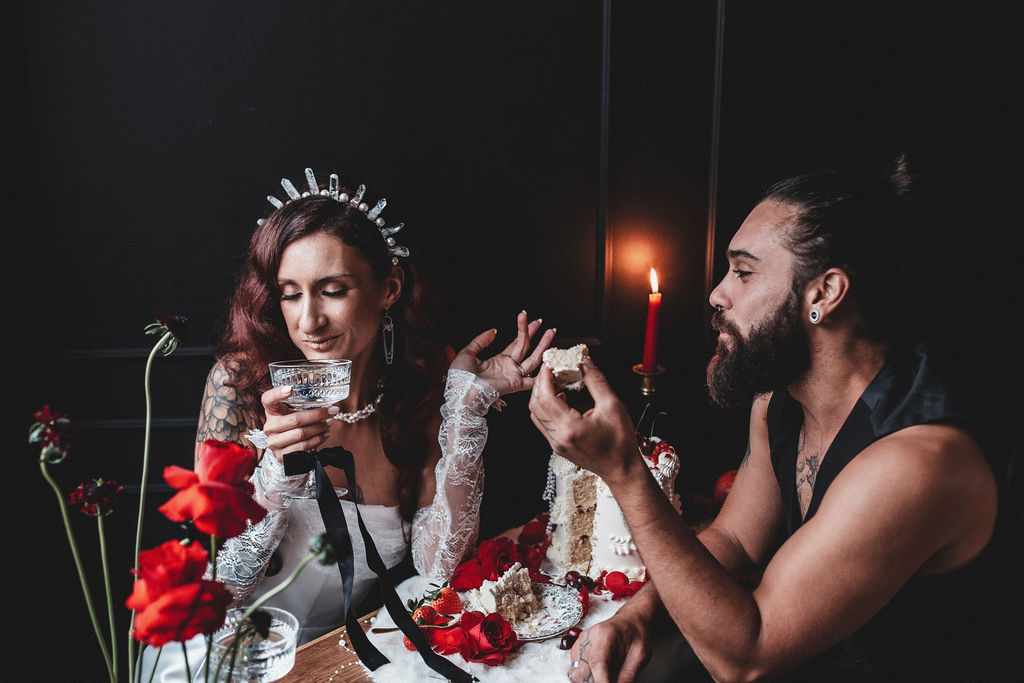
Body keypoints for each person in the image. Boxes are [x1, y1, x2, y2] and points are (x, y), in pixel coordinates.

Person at [529, 158, 1007, 681]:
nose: (717, 294)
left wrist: (622, 470)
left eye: (743, 271)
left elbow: (745, 657)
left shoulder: (917, 462)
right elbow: (735, 540)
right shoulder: (778, 400)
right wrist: (638, 614)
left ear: (823, 293)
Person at [144, 167, 553, 679]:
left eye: (332, 289)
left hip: (355, 656)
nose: (308, 321)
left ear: (389, 288)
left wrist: (465, 405)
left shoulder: (422, 388)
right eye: (290, 293)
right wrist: (278, 472)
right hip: (233, 654)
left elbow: (438, 573)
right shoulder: (239, 386)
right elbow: (218, 587)